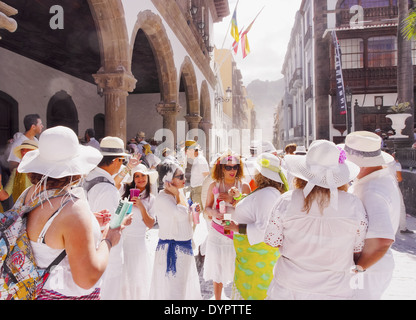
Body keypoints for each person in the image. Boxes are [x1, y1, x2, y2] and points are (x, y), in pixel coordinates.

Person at [16, 126, 126, 300]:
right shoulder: (72, 208)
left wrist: (87, 223)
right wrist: (109, 239)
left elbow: (50, 235)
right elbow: (87, 279)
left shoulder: (29, 195)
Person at [265, 140, 368, 300]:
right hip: (335, 288)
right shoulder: (354, 205)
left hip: (290, 285)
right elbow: (357, 247)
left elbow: (272, 241)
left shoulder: (286, 201)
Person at [345, 131, 401, 300]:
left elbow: (382, 240)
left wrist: (358, 269)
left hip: (368, 268)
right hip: (371, 266)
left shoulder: (372, 190)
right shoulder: (378, 179)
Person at [224, 153, 289, 300]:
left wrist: (236, 227)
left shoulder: (267, 194)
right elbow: (255, 209)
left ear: (261, 174)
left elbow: (264, 228)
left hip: (255, 261)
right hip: (251, 260)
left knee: (253, 293)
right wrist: (239, 198)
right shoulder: (266, 192)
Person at [84, 136, 132, 300]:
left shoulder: (89, 177)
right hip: (107, 254)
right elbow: (112, 224)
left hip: (91, 250)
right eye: (121, 161)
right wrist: (125, 219)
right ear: (116, 161)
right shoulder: (107, 188)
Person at [149, 161, 202, 300]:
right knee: (174, 292)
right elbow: (181, 213)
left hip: (183, 249)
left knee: (183, 289)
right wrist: (178, 196)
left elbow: (187, 216)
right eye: (180, 177)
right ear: (169, 180)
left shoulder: (178, 195)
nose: (184, 180)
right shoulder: (163, 198)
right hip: (172, 252)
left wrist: (193, 209)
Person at [203, 151, 251, 300]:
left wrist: (232, 200)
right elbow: (207, 208)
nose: (232, 170)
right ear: (221, 169)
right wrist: (214, 213)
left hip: (235, 233)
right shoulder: (214, 185)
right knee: (218, 269)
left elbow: (249, 211)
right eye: (228, 167)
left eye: (235, 167)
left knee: (237, 268)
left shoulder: (244, 186)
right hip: (217, 231)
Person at [120, 164, 158, 300]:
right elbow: (118, 213)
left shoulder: (151, 199)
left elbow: (150, 224)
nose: (140, 179)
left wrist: (141, 207)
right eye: (137, 176)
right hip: (123, 241)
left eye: (143, 175)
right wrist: (126, 204)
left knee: (138, 279)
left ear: (147, 177)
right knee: (123, 279)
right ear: (133, 179)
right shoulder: (124, 192)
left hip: (139, 243)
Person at [185, 140, 209, 210]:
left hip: (199, 191)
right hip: (195, 190)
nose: (186, 153)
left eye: (186, 151)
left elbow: (206, 176)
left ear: (192, 150)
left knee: (198, 214)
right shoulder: (197, 159)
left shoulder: (200, 160)